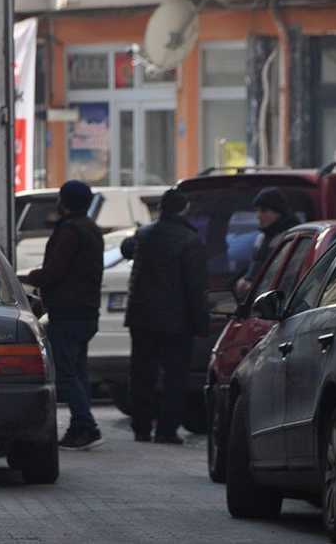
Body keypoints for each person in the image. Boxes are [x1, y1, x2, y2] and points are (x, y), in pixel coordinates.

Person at [120, 188, 208, 445]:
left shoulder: (145, 235)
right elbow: (195, 288)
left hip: (142, 317)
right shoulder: (190, 240)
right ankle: (167, 430)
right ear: (184, 209)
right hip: (177, 321)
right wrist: (201, 322)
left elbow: (127, 249)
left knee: (141, 373)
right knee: (174, 376)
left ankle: (141, 428)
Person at [25, 181, 104, 451]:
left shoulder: (70, 231)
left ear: (65, 201)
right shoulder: (91, 229)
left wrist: (29, 277)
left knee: (67, 373)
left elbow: (56, 270)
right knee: (78, 371)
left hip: (68, 312)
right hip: (86, 311)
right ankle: (78, 427)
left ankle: (87, 424)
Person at [236, 187, 301, 298]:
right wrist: (245, 280)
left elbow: (287, 276)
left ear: (278, 212)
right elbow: (255, 265)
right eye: (257, 211)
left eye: (264, 210)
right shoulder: (263, 237)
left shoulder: (291, 237)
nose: (258, 216)